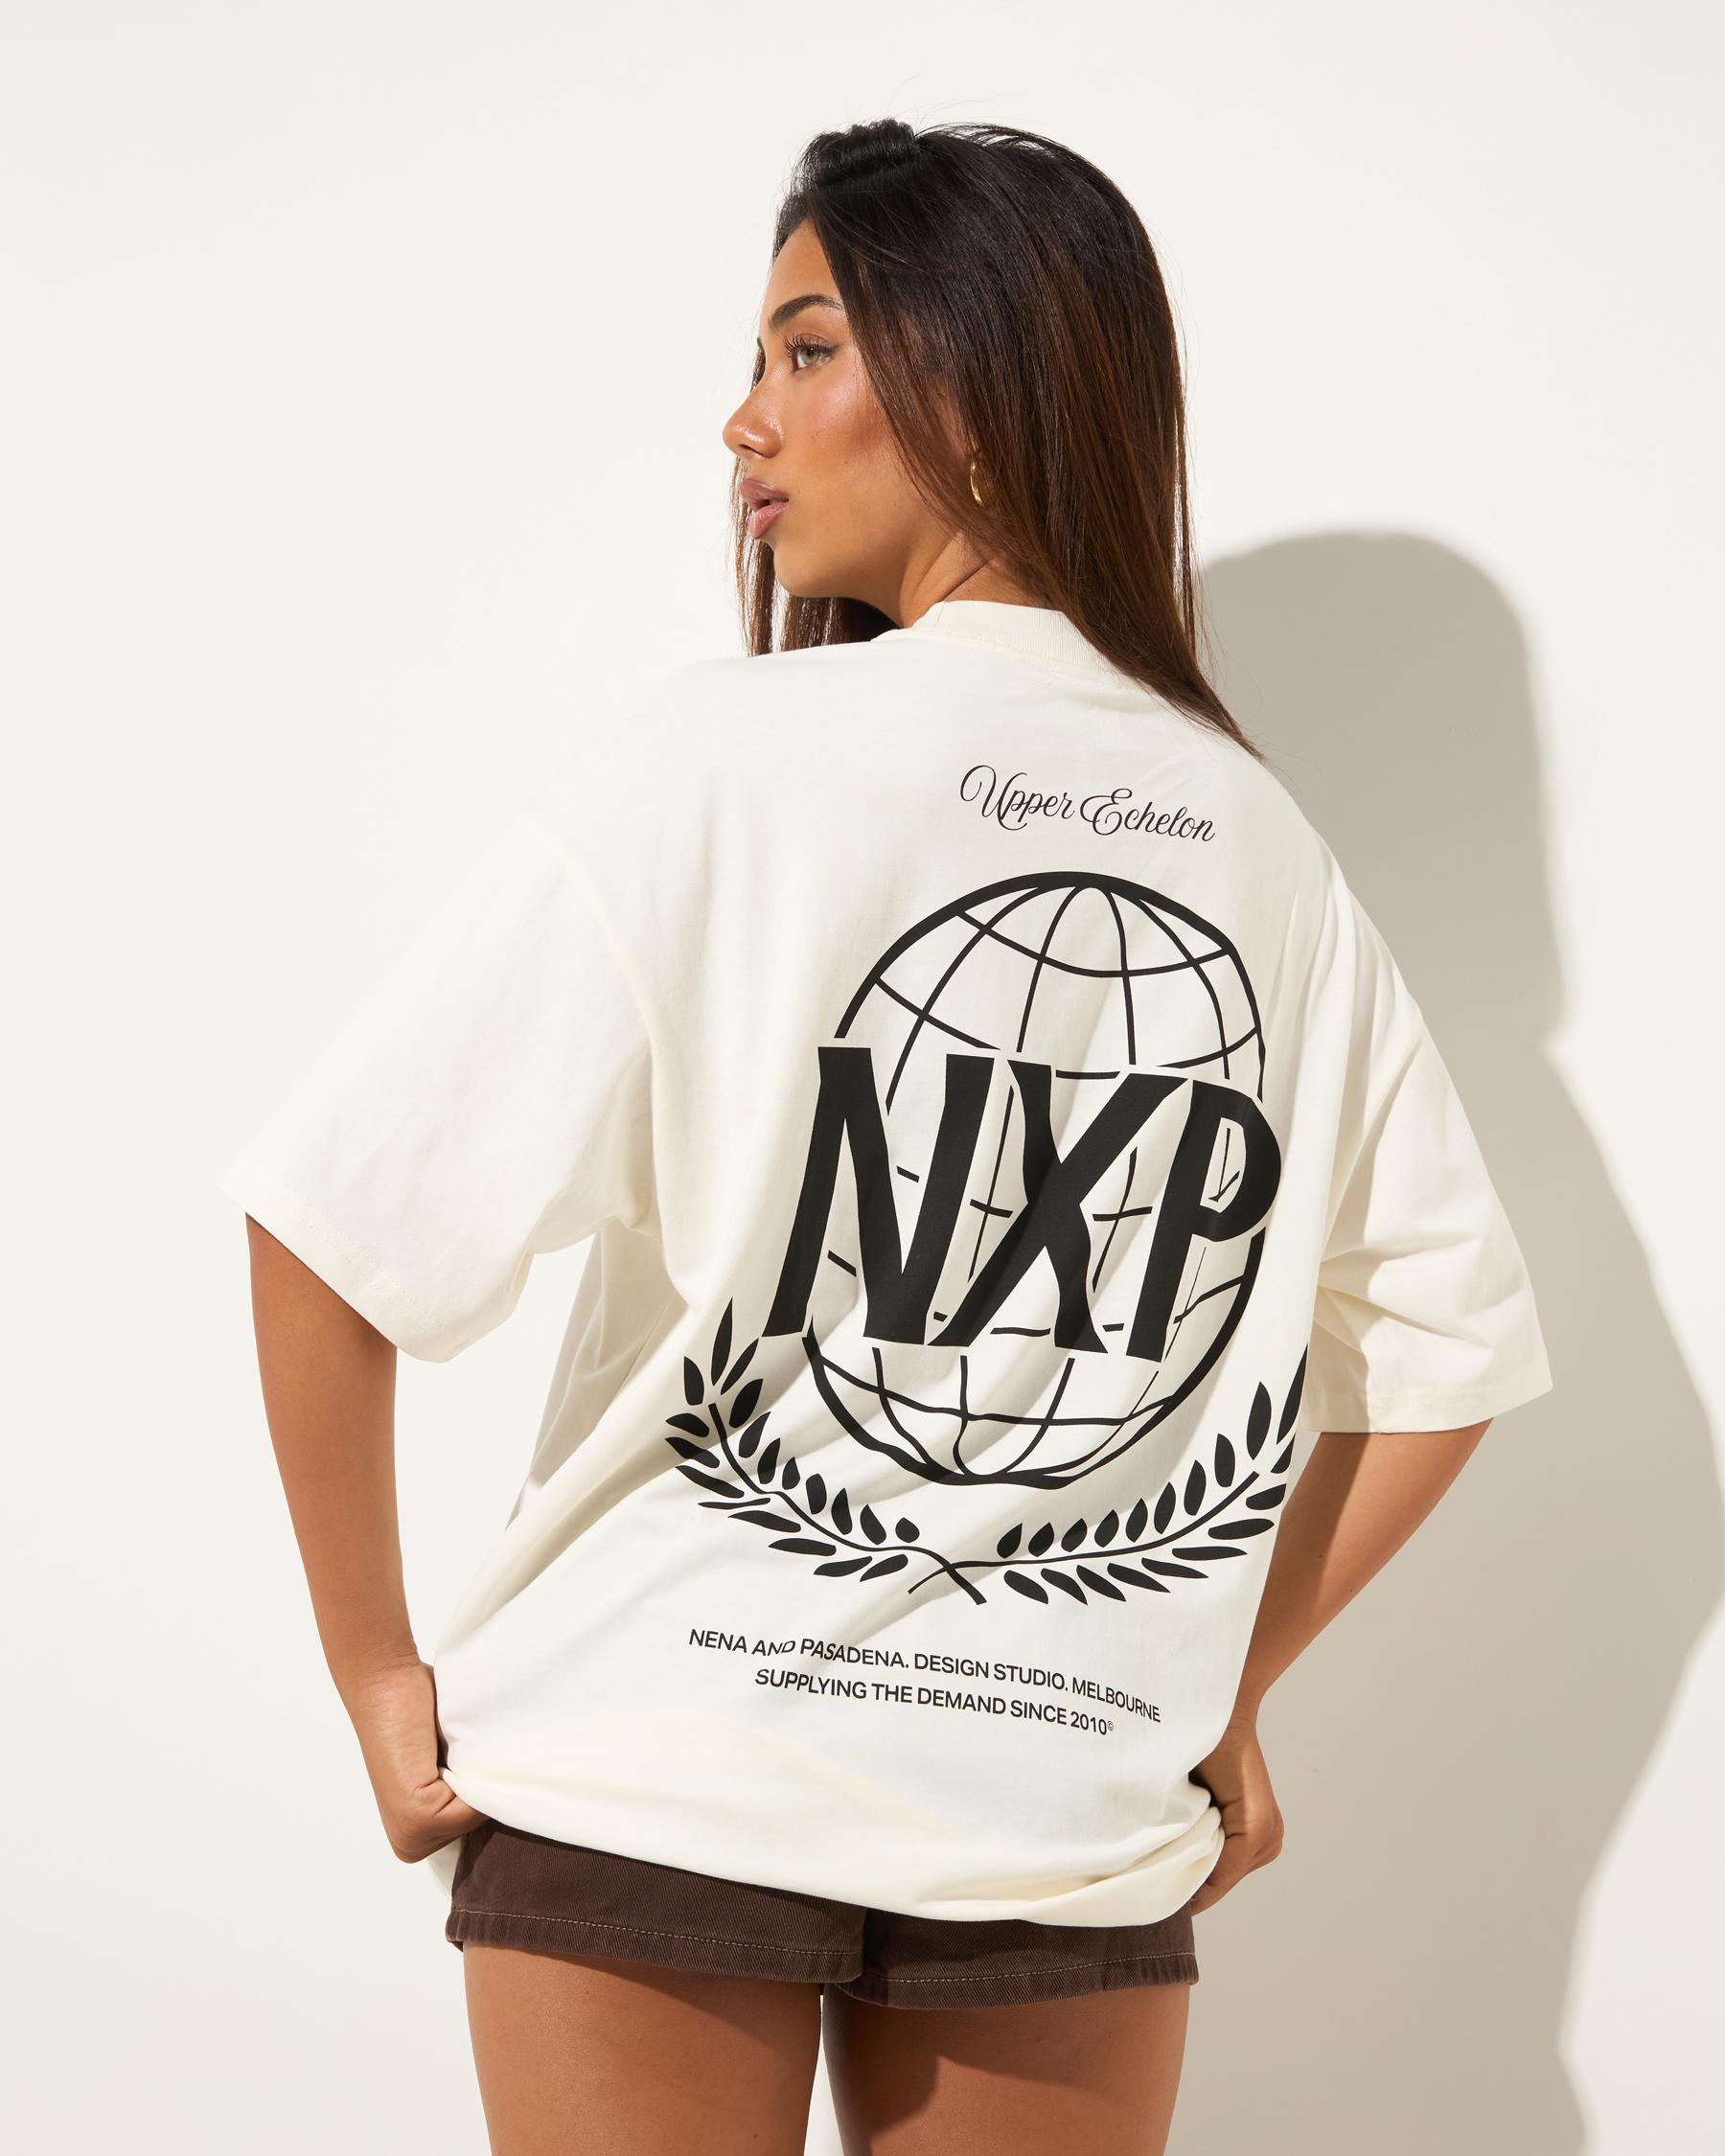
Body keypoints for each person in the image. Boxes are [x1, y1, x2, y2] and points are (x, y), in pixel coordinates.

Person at [220, 118, 1554, 2156]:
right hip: (1065, 1805)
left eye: (807, 347)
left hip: (654, 1766)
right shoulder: (1265, 851)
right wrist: (1221, 1681)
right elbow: (1449, 1356)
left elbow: (332, 1218)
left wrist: (373, 1669)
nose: (742, 421)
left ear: (987, 387)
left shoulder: (718, 765)